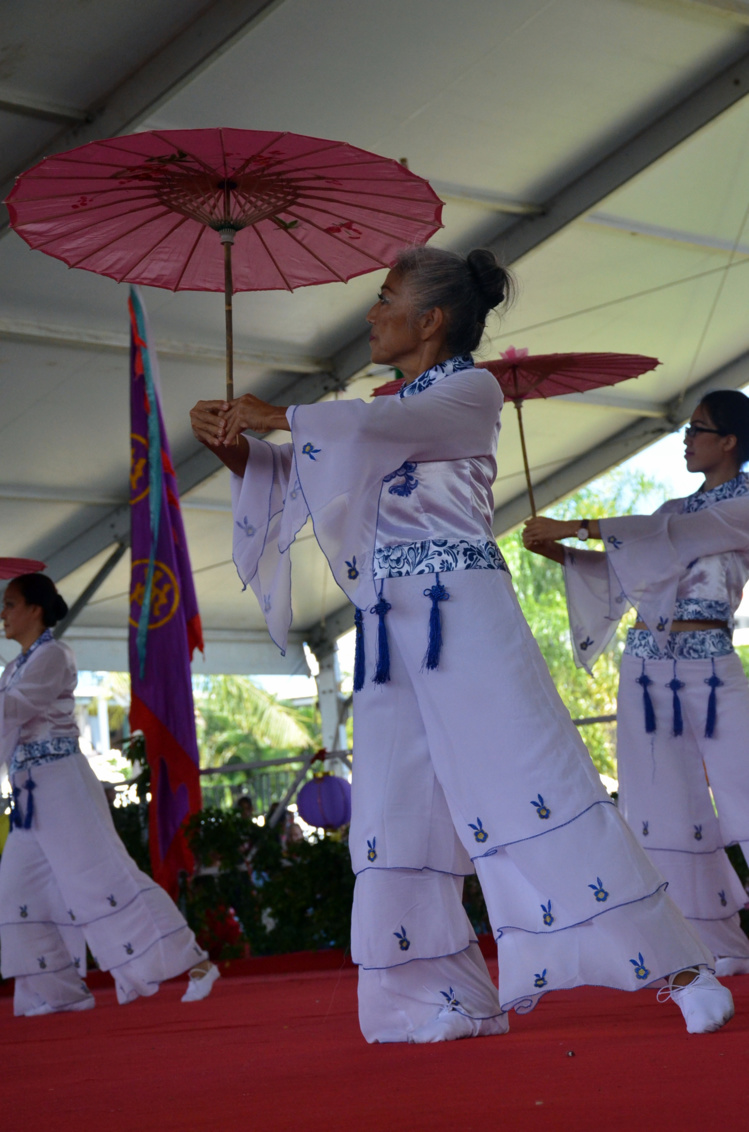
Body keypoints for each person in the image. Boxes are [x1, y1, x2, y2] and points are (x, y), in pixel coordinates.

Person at [190, 245, 733, 1041]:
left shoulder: (468, 390)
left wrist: (278, 413)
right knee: (392, 807)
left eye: (385, 298)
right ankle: (434, 998)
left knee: (532, 776)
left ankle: (678, 969)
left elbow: (374, 428)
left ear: (431, 318)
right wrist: (241, 451)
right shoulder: (381, 406)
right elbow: (317, 473)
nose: (371, 313)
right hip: (386, 629)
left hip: (461, 616)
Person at [523, 390, 749, 975]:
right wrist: (558, 549)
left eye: (699, 429)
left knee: (745, 785)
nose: (686, 439)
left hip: (709, 660)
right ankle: (711, 944)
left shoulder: (740, 502)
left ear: (730, 441)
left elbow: (668, 541)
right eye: (686, 429)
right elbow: (627, 570)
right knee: (661, 801)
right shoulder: (670, 509)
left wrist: (576, 523)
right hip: (648, 665)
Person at [0, 573, 220, 1015]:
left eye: (9, 604)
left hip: (62, 784)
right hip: (28, 793)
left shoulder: (54, 656)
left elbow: (16, 708)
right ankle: (60, 993)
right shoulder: (14, 666)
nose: (2, 614)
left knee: (105, 879)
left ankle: (196, 964)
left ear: (35, 610)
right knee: (17, 889)